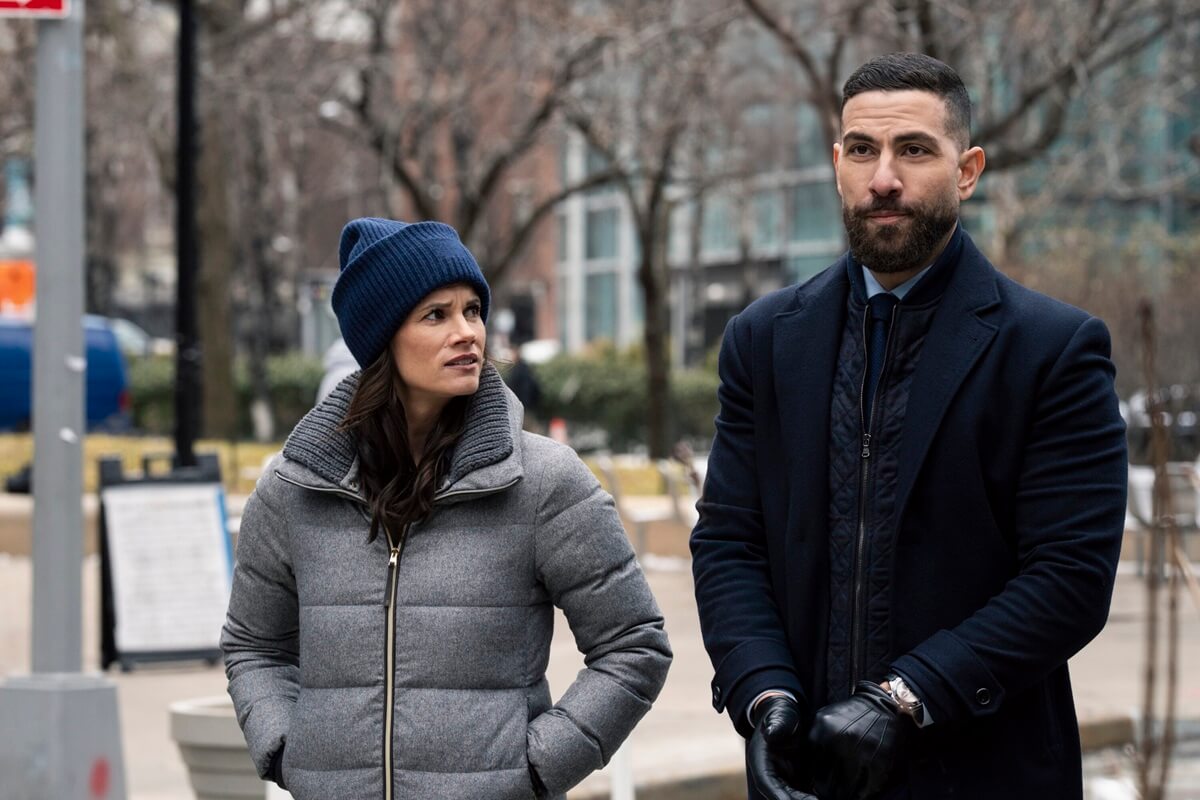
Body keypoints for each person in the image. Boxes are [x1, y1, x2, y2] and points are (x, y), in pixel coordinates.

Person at [690, 53, 1127, 800]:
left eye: (914, 150)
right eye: (862, 150)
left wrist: (905, 696)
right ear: (837, 164)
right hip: (804, 773)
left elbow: (1070, 578)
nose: (883, 178)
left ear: (968, 170)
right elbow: (730, 540)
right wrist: (764, 693)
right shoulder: (763, 339)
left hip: (983, 774)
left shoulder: (1053, 349)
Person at [222, 218, 672, 800]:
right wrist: (291, 751)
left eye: (472, 311)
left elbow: (634, 644)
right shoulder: (294, 488)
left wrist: (533, 770)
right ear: (382, 338)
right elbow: (254, 645)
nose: (467, 333)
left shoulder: (544, 482)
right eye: (435, 315)